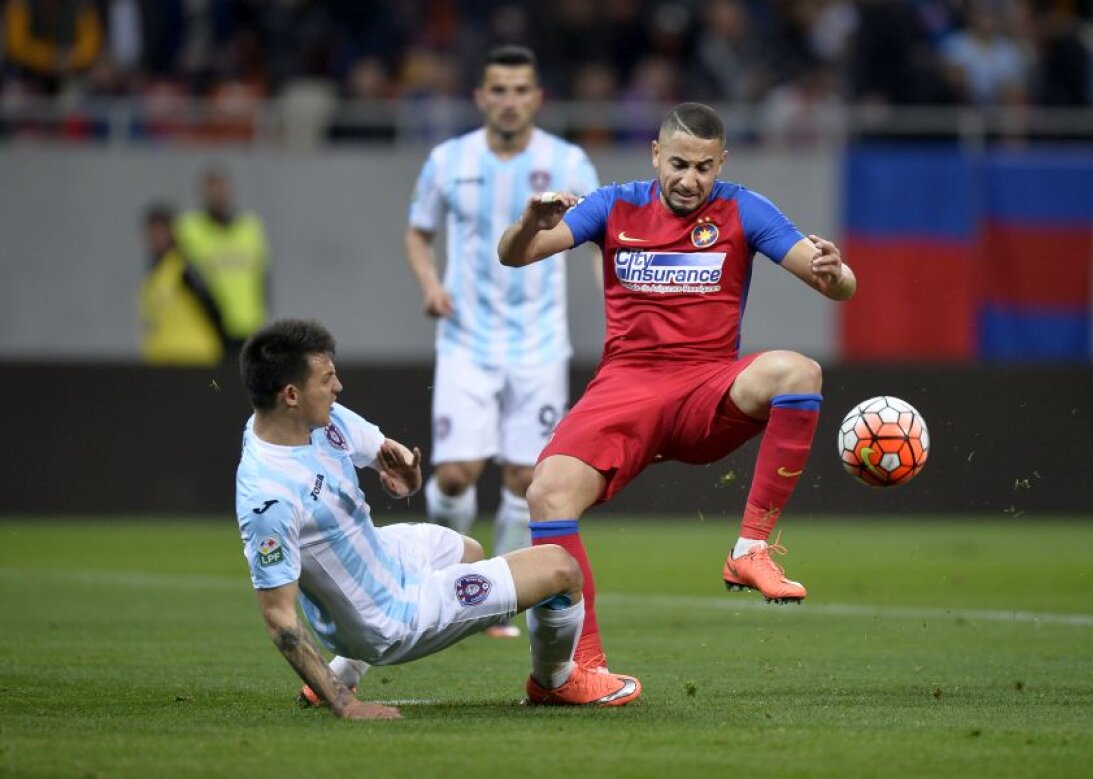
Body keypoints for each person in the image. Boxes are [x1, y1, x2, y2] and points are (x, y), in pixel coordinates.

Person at [498, 102, 856, 676]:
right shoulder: (614, 204)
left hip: (705, 388)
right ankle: (582, 667)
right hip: (625, 387)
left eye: (705, 168)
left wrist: (837, 274)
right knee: (547, 495)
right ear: (656, 155)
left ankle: (750, 550)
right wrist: (529, 225)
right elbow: (514, 256)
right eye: (680, 164)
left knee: (799, 372)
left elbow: (839, 286)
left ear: (722, 163)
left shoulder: (744, 209)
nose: (690, 180)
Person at [234, 319, 641, 720]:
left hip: (383, 557)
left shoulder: (316, 420)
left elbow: (386, 457)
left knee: (469, 550)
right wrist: (347, 705)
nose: (337, 387)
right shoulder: (269, 498)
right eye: (327, 379)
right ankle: (555, 683)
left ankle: (345, 667)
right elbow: (279, 619)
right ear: (290, 394)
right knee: (561, 568)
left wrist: (405, 475)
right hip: (387, 617)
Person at [404, 45, 601, 638]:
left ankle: (494, 597)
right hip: (466, 338)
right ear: (481, 97)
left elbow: (601, 237)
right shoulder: (448, 160)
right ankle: (448, 576)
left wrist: (615, 300)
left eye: (521, 90)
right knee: (459, 474)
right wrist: (431, 284)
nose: (510, 100)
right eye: (499, 90)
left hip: (540, 343)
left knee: (524, 478)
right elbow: (418, 233)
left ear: (537, 98)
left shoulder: (568, 161)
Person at [175, 164, 270, 357]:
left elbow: (263, 276)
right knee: (214, 386)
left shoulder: (250, 228)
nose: (218, 194)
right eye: (212, 188)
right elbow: (187, 278)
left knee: (245, 383)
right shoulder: (189, 228)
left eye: (222, 187)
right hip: (208, 331)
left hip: (249, 326)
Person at [137, 203, 226, 366]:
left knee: (212, 389)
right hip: (165, 357)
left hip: (193, 356)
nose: (156, 238)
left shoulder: (184, 269)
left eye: (161, 232)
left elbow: (211, 306)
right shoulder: (154, 276)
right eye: (152, 232)